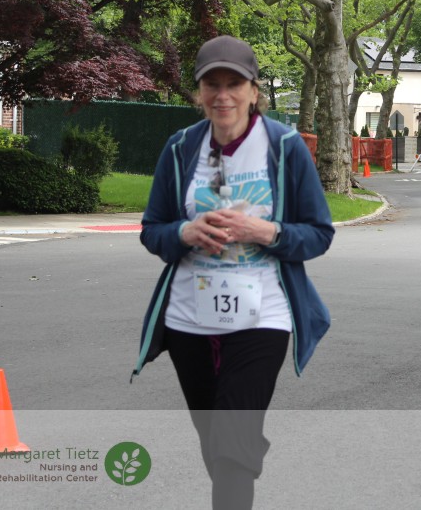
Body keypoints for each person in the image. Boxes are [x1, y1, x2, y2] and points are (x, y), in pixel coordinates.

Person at [132, 35, 334, 509]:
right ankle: (240, 455)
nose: (223, 95)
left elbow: (319, 233)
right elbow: (153, 230)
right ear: (199, 92)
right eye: (212, 84)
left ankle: (241, 454)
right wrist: (186, 232)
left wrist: (264, 231)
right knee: (215, 442)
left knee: (232, 445)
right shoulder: (181, 148)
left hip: (263, 316)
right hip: (189, 319)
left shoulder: (283, 147)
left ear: (254, 91)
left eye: (234, 84)